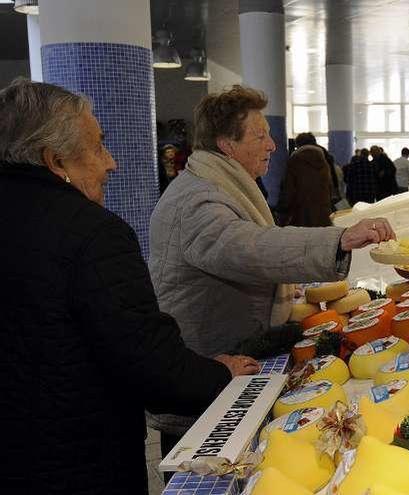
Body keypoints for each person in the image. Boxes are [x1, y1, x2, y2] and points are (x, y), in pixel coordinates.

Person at [0, 80, 259, 495]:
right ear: (56, 161)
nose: (112, 163)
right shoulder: (92, 234)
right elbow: (146, 360)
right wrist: (218, 372)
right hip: (75, 463)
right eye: (99, 146)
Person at [148, 85, 394, 454]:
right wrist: (338, 241)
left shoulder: (220, 184)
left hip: (227, 365)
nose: (273, 145)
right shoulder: (197, 200)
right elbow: (248, 247)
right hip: (201, 383)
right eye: (260, 135)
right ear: (226, 145)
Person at [280, 132, 333, 227]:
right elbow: (330, 186)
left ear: (298, 144)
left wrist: (283, 213)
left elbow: (289, 190)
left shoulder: (294, 161)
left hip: (302, 214)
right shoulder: (325, 159)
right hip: (323, 213)